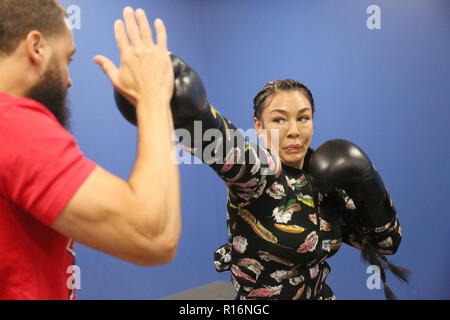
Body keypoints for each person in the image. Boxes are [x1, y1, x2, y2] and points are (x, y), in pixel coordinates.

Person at [115, 57, 406, 299]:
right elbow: (228, 150)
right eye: (279, 119)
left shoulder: (330, 176)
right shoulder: (261, 173)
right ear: (259, 125)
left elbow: (387, 244)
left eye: (303, 118)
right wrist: (191, 115)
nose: (293, 130)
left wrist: (369, 182)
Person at [0, 0, 180, 300]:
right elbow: (154, 234)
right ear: (37, 47)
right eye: (67, 59)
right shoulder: (11, 123)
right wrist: (153, 96)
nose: (69, 80)